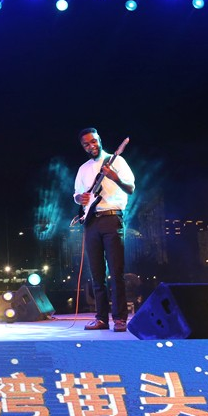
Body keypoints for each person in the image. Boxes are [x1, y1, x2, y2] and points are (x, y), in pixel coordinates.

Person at [73, 128, 135, 333]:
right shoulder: (83, 169)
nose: (91, 146)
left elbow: (131, 188)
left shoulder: (117, 161)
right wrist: (80, 198)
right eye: (86, 144)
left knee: (116, 272)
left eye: (93, 141)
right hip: (91, 221)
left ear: (99, 139)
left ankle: (119, 319)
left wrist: (115, 177)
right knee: (97, 274)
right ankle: (101, 318)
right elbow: (77, 194)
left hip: (112, 218)